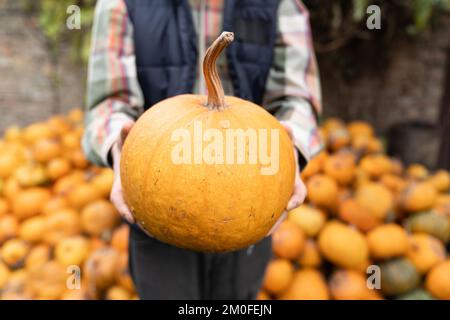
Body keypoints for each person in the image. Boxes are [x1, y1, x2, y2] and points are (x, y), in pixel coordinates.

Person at [83, 0, 322, 300]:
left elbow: (297, 100)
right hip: (157, 201)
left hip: (250, 199)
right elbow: (108, 103)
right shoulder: (121, 3)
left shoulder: (281, 4)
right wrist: (121, 149)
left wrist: (291, 151)